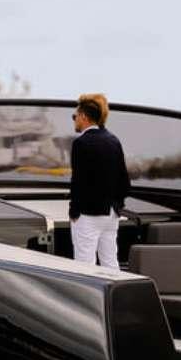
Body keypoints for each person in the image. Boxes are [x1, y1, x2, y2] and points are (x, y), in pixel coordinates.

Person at [68, 93, 130, 269]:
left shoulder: (81, 143)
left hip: (88, 215)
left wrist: (74, 212)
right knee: (110, 262)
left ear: (84, 117)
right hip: (111, 214)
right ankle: (115, 296)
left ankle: (86, 298)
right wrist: (117, 206)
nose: (74, 120)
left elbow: (77, 183)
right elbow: (124, 182)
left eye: (75, 116)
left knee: (84, 265)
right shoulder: (113, 141)